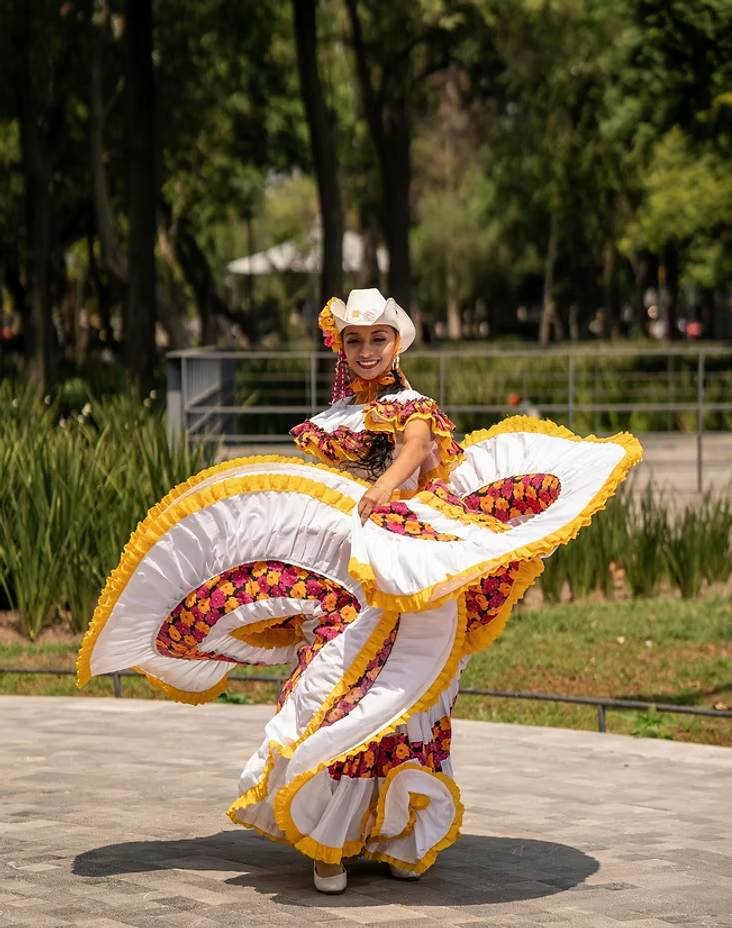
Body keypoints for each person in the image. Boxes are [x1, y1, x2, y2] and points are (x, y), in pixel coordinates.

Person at [77, 288, 642, 894]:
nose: (367, 350)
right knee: (326, 687)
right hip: (345, 578)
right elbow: (313, 498)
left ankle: (398, 836)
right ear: (341, 347)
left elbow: (415, 449)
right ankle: (329, 845)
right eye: (355, 340)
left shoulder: (413, 407)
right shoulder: (331, 422)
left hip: (413, 572)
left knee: (411, 704)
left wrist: (386, 489)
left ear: (396, 344)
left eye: (378, 339)